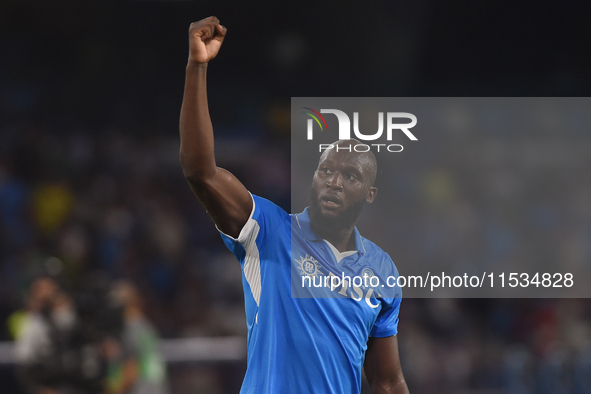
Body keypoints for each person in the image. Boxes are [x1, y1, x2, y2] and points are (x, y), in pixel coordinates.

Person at [179, 16, 410, 394]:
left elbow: (387, 381)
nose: (334, 181)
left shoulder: (381, 269)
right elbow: (200, 171)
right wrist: (197, 66)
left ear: (369, 193)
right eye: (326, 171)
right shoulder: (269, 230)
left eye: (350, 176)